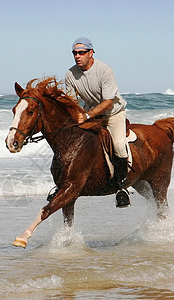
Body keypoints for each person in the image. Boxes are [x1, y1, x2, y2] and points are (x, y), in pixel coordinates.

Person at [65, 37, 130, 208]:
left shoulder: (104, 70)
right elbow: (72, 102)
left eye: (81, 52)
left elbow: (108, 102)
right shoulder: (70, 74)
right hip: (91, 115)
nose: (77, 56)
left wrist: (86, 116)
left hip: (113, 113)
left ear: (91, 53)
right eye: (75, 53)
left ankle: (121, 187)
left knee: (117, 145)